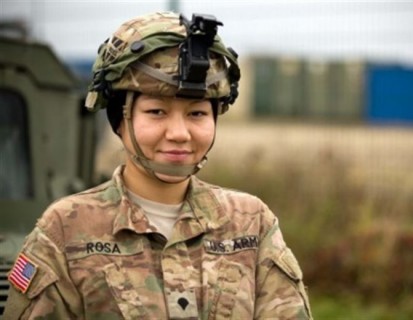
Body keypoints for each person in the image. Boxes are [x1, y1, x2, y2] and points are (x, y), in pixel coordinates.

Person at [3, 11, 312, 319]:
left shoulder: (251, 223)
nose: (179, 134)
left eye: (197, 114)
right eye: (156, 112)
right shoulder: (65, 230)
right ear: (119, 119)